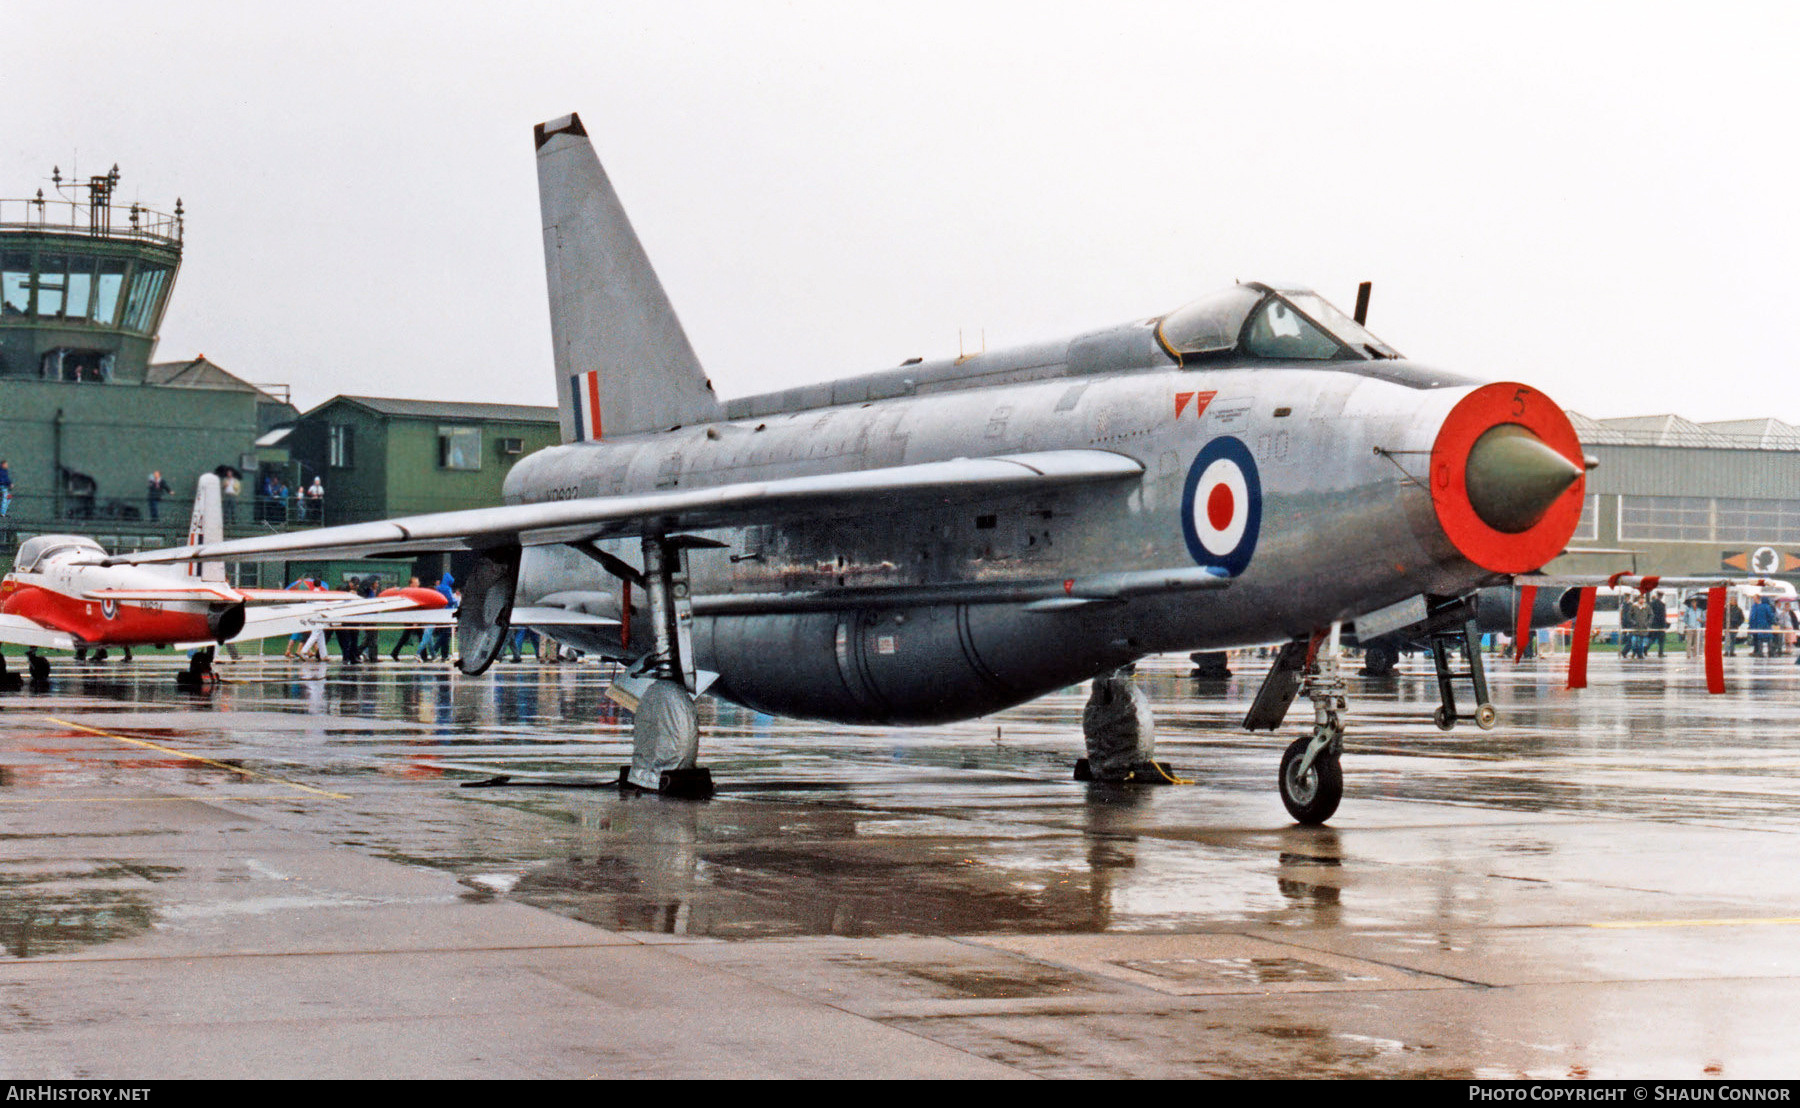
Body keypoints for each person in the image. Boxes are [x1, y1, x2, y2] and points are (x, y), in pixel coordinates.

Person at [1648, 591, 1668, 658]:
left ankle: (1645, 649)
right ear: (1661, 596)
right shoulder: (1662, 605)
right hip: (1660, 625)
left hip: (1654, 624)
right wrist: (1665, 624)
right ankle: (1660, 653)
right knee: (1661, 640)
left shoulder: (1652, 603)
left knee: (1652, 639)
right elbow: (1663, 616)